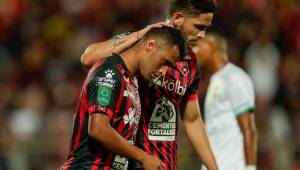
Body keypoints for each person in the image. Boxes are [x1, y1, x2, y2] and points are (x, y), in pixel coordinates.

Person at [80, 0, 218, 169]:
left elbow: (192, 119)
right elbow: (88, 58)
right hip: (132, 160)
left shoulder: (190, 63)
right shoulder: (140, 44)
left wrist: (214, 167)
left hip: (163, 163)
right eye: (199, 27)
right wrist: (139, 35)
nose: (202, 35)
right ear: (178, 18)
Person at [61, 26, 187, 170]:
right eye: (164, 62)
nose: (164, 72)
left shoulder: (132, 81)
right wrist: (143, 157)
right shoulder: (109, 72)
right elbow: (98, 129)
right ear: (151, 45)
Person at [193, 33, 257, 170]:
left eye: (198, 46)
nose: (194, 51)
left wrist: (250, 168)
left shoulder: (234, 77)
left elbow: (249, 128)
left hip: (230, 165)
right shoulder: (216, 80)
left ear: (213, 46)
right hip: (216, 164)